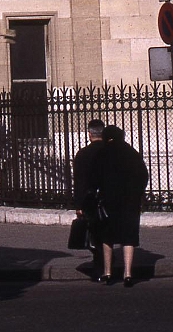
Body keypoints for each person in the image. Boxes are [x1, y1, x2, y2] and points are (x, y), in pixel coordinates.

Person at [93, 125, 149, 287]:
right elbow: (143, 176)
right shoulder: (131, 153)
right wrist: (136, 193)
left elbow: (94, 178)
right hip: (130, 201)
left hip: (108, 201)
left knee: (107, 236)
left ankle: (108, 272)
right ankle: (128, 274)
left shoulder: (102, 153)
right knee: (129, 236)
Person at [72, 118, 107, 280]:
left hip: (90, 200)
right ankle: (107, 263)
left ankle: (99, 264)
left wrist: (78, 205)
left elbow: (79, 182)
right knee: (108, 232)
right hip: (109, 198)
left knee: (93, 233)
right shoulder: (111, 151)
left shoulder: (82, 154)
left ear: (89, 134)